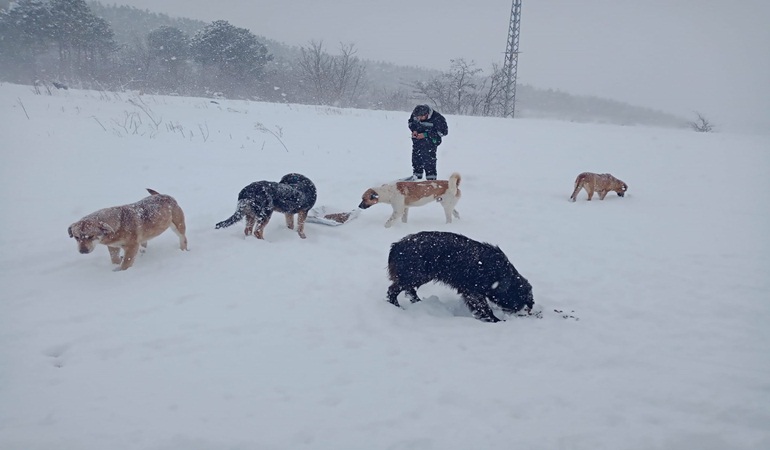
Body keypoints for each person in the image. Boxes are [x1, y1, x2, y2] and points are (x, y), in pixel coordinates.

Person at [404, 104, 448, 181]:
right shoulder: (415, 114)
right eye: (417, 117)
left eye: (421, 117)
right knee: (416, 160)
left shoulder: (438, 118)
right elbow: (411, 123)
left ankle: (431, 181)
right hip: (417, 142)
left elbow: (443, 132)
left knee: (429, 161)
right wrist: (414, 130)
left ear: (426, 114)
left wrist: (426, 134)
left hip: (430, 143)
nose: (419, 119)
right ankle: (417, 178)